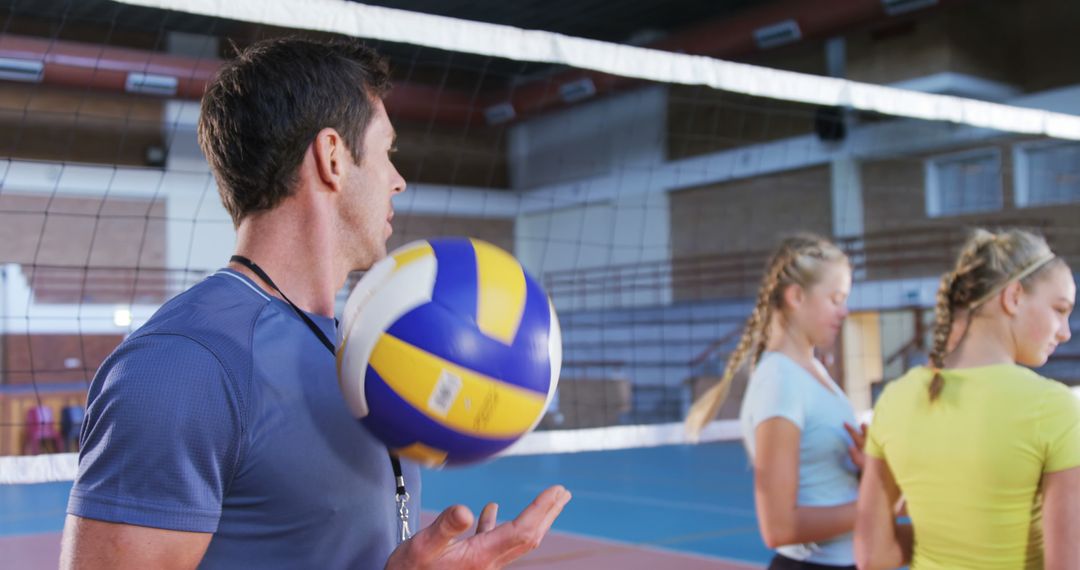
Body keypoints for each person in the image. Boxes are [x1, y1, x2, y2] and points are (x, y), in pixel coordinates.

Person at [60, 37, 570, 569]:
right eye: (386, 151)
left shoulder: (364, 348)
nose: (398, 180)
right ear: (331, 156)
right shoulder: (183, 365)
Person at [855, 228, 1079, 569]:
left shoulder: (894, 399)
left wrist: (945, 536)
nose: (1065, 332)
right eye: (1059, 310)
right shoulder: (1053, 408)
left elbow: (873, 557)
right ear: (1014, 296)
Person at [686, 234, 863, 570]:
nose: (845, 311)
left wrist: (867, 470)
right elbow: (779, 527)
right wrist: (883, 504)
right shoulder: (780, 381)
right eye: (836, 299)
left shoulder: (814, 372)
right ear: (796, 296)